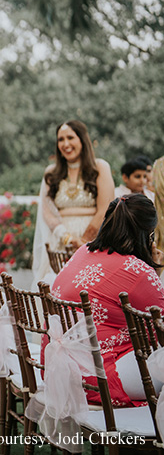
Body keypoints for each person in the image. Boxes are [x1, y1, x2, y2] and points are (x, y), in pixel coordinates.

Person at [47, 194, 164, 406]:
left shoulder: (84, 250)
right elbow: (160, 327)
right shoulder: (137, 270)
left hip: (59, 368)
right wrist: (154, 270)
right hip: (100, 376)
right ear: (148, 235)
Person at [31, 120, 115, 285]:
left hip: (95, 243)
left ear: (82, 140)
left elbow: (106, 208)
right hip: (60, 246)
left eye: (70, 137)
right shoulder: (51, 173)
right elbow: (47, 211)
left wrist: (84, 242)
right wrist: (67, 239)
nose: (65, 144)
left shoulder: (100, 167)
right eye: (61, 140)